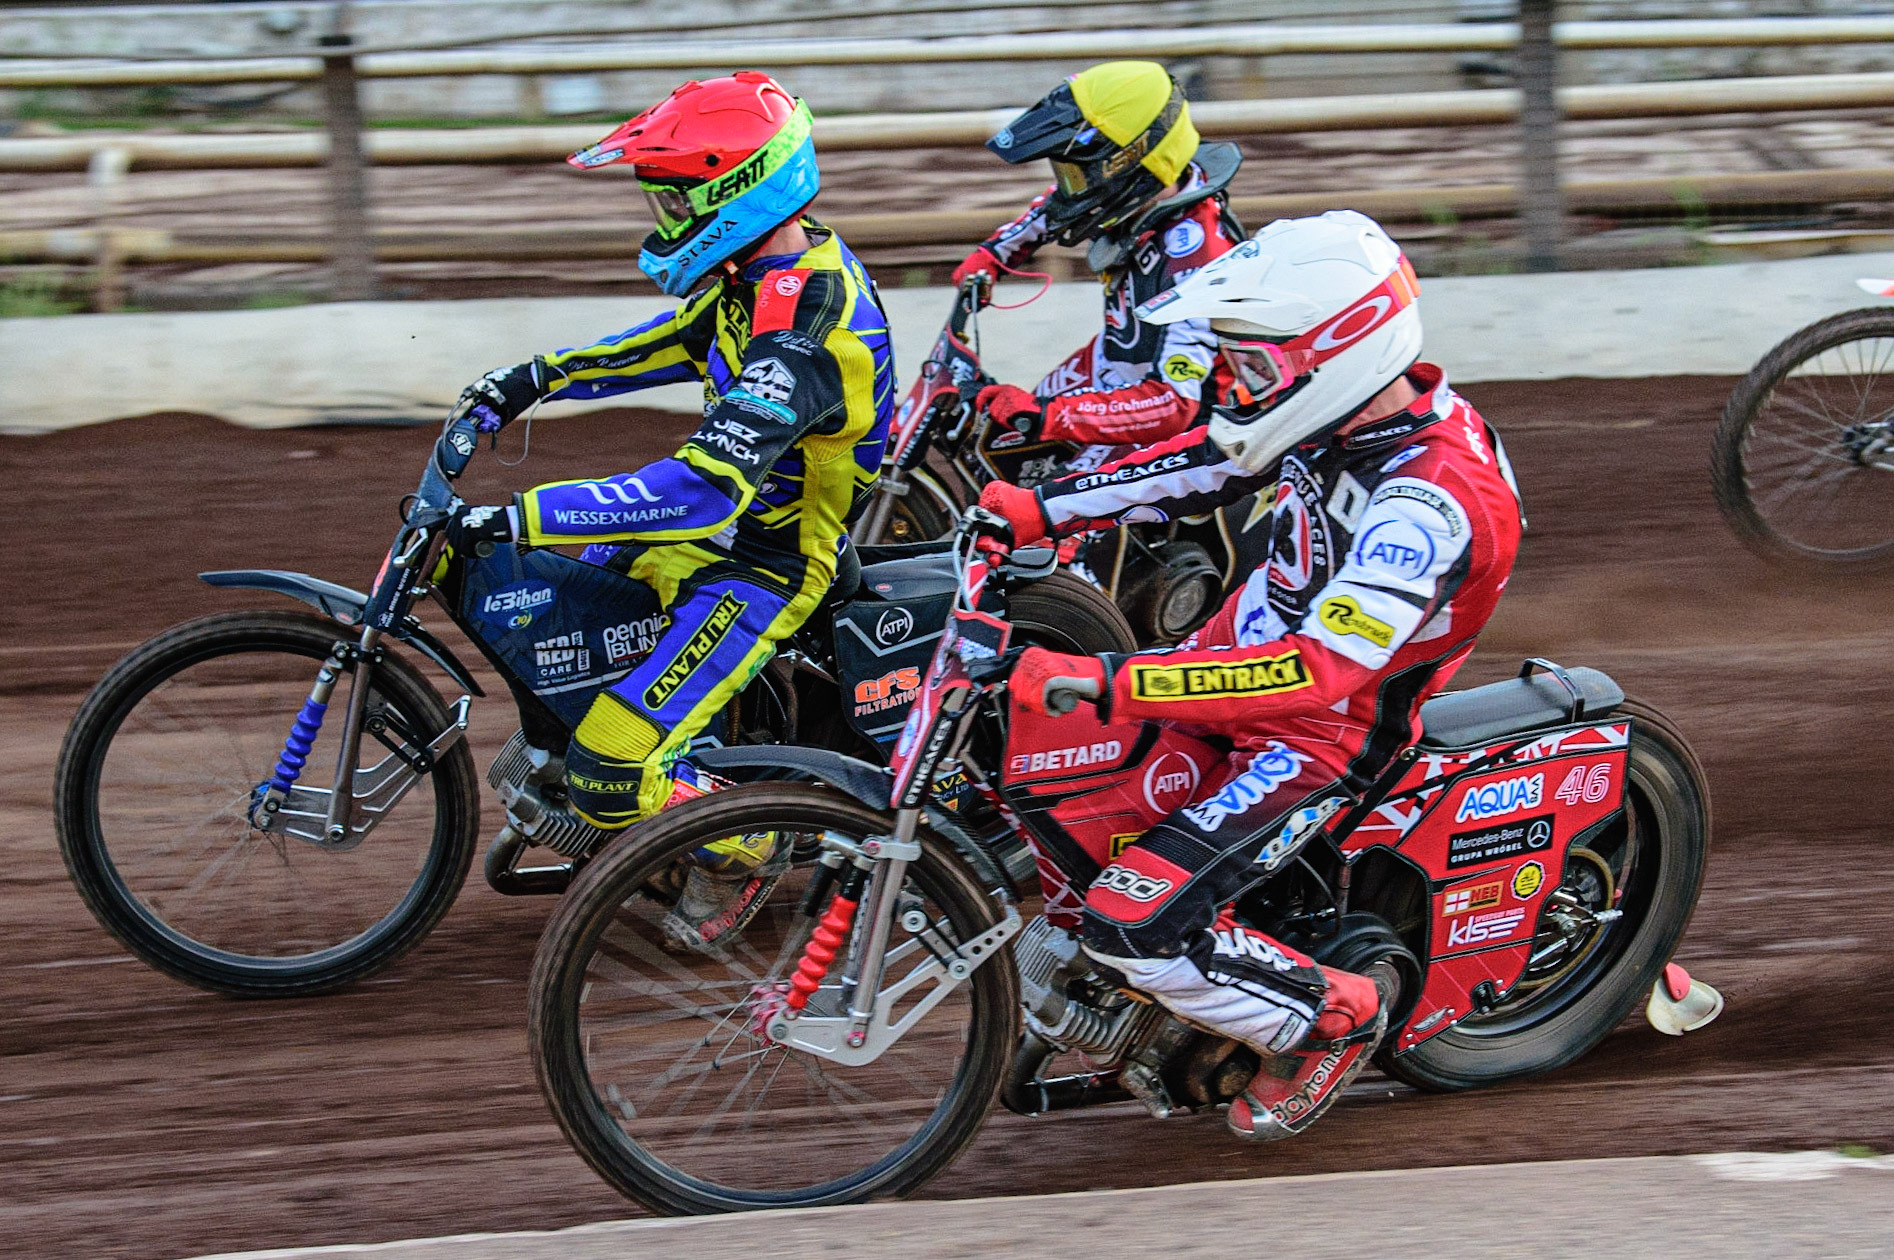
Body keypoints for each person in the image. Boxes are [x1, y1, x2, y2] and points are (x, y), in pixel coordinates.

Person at [978, 211, 1525, 1141]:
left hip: (1323, 736)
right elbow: (1206, 462)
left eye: (1255, 360)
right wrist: (1041, 507)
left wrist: (1116, 681)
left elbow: (1314, 674)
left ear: (1339, 352)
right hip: (1226, 673)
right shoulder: (1339, 411)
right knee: (1038, 772)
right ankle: (1120, 979)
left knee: (1133, 923)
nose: (1235, 378)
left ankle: (1333, 1016)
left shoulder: (1430, 502)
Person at [442, 72, 895, 946]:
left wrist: (518, 515)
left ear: (736, 189)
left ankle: (753, 843)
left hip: (764, 562)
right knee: (554, 598)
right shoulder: (761, 274)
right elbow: (670, 344)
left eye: (674, 201)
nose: (663, 221)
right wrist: (534, 379)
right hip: (709, 539)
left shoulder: (806, 332)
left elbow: (695, 488)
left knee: (609, 767)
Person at [954, 60, 1247, 459]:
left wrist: (1047, 415)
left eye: (1081, 175)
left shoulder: (1198, 260)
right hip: (1114, 362)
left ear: (1132, 162)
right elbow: (1057, 206)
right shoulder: (1142, 200)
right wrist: (994, 253)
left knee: (1054, 504)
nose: (1072, 190)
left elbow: (1174, 404)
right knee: (1009, 444)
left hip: (1184, 427)